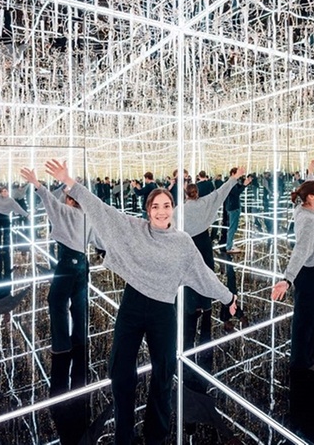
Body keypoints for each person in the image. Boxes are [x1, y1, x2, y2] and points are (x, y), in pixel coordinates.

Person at [44, 159, 237, 445]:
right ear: (148, 211)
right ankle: (124, 431)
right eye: (155, 207)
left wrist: (228, 296)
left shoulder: (183, 243)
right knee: (120, 371)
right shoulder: (135, 229)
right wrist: (72, 184)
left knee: (163, 373)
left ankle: (155, 433)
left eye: (166, 206)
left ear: (173, 209)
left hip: (163, 312)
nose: (161, 211)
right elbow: (102, 210)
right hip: (133, 306)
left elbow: (203, 275)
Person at [21, 167, 92, 444]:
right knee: (79, 302)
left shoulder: (65, 212)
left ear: (71, 199)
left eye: (66, 195)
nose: (62, 198)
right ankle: (80, 340)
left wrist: (37, 184)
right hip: (83, 262)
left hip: (67, 262)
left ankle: (62, 345)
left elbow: (48, 202)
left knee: (56, 301)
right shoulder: (87, 215)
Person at [175, 169, 247, 392]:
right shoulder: (206, 203)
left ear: (186, 194)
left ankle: (191, 308)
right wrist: (234, 178)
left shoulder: (180, 211)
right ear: (197, 193)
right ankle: (206, 306)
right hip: (204, 244)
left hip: (187, 244)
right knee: (207, 273)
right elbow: (222, 193)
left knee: (189, 277)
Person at [271, 175, 314, 373]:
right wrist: (287, 279)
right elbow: (301, 251)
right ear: (311, 197)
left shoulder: (308, 207)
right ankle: (302, 360)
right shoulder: (308, 221)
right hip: (308, 272)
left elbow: (307, 189)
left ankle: (310, 352)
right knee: (307, 317)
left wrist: (311, 173)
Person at [220, 167, 252, 254]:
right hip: (233, 207)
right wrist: (244, 185)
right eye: (238, 173)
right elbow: (236, 192)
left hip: (234, 206)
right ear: (233, 174)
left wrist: (244, 185)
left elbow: (238, 190)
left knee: (233, 227)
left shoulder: (233, 182)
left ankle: (230, 244)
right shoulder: (230, 183)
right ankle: (229, 247)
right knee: (232, 228)